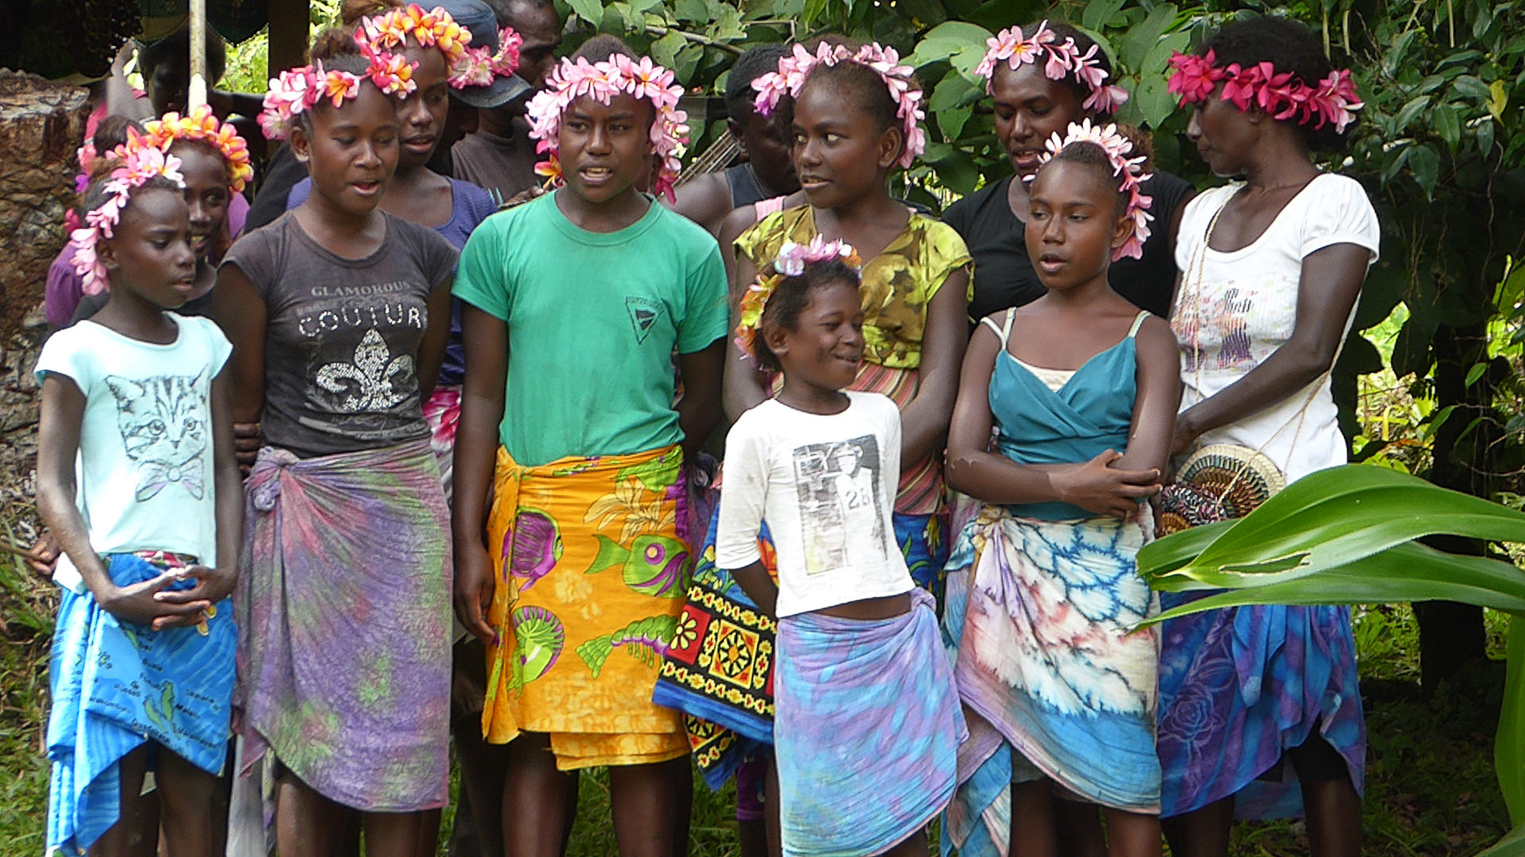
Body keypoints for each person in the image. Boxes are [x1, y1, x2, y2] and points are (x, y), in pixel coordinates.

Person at [655, 39, 969, 856]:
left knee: (876, 718)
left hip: (892, 514)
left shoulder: (938, 248)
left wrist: (852, 485)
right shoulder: (758, 235)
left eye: (831, 136)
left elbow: (935, 395)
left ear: (889, 145)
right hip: (770, 515)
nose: (807, 152)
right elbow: (736, 384)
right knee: (772, 714)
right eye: (799, 135)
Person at [451, 38, 726, 857]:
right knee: (537, 733)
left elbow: (703, 397)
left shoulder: (689, 251)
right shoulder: (502, 241)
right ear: (552, 131)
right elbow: (483, 398)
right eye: (580, 125)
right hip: (532, 519)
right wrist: (470, 536)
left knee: (648, 731)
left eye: (619, 126)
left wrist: (638, 481)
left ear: (655, 137)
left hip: (640, 521)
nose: (597, 145)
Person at [215, 44, 458, 857]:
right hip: (306, 523)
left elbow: (416, 386)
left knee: (409, 727)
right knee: (309, 737)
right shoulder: (259, 259)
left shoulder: (427, 256)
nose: (370, 156)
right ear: (300, 142)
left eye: (384, 138)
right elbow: (243, 418)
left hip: (403, 516)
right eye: (347, 138)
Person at [1155, 17, 1377, 857]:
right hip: (1193, 501)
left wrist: (1187, 423)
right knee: (1188, 711)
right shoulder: (1202, 211)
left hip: (1292, 497)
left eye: (1202, 103)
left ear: (1256, 102)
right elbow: (1175, 346)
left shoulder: (1333, 203)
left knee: (1309, 714)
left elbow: (1310, 350)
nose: (1189, 126)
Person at [940, 122, 1180, 857]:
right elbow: (958, 462)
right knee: (1016, 774)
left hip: (1110, 585)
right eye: (1039, 212)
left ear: (1118, 227)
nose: (1050, 232)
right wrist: (1065, 480)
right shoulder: (995, 332)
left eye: (1076, 216)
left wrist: (1022, 481)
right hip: (1002, 583)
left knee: (1126, 770)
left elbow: (1133, 479)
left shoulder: (1148, 337)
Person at [717, 237, 965, 857]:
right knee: (825, 818)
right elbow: (736, 548)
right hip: (818, 655)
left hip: (898, 646)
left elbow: (874, 524)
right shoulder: (757, 430)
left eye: (858, 322)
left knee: (906, 818)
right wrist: (794, 609)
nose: (853, 338)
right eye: (833, 325)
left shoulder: (880, 414)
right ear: (779, 338)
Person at [36, 139, 241, 857]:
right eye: (164, 241)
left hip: (196, 590)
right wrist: (102, 586)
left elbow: (222, 467)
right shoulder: (77, 350)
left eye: (191, 238)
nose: (188, 253)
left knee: (194, 789)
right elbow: (52, 480)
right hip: (110, 597)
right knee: (111, 795)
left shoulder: (206, 343)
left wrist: (229, 567)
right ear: (112, 252)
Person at [943, 21, 1194, 323]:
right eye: (1005, 114)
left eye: (1038, 110)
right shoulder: (966, 221)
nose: (1018, 130)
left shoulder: (1165, 203)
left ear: (1085, 109)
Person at [73, 106, 255, 325]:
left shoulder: (238, 300)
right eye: (184, 196)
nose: (199, 215)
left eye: (214, 198)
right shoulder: (98, 313)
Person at [668, 44, 800, 235]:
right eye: (781, 137)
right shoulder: (709, 201)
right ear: (739, 136)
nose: (801, 152)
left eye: (803, 135)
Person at [451, 0, 564, 199]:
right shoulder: (449, 155)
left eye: (553, 53)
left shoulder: (538, 141)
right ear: (493, 55)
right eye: (536, 55)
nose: (551, 73)